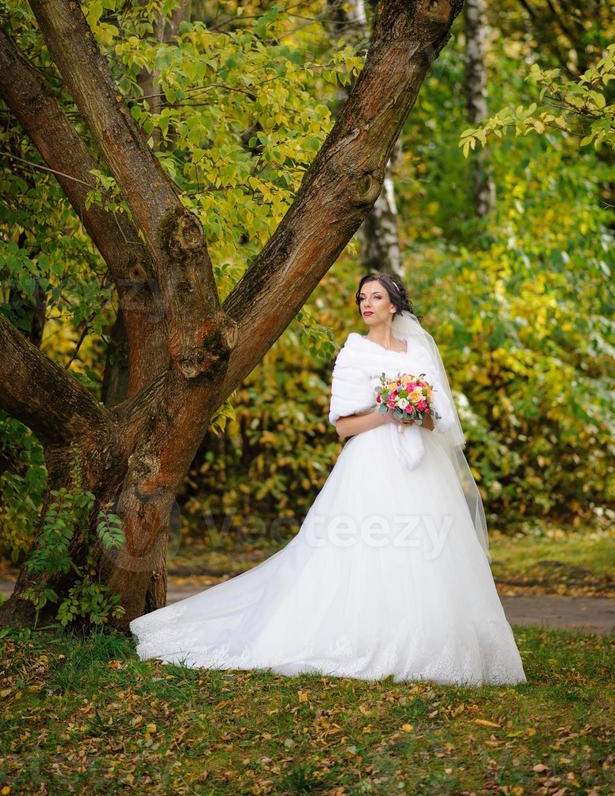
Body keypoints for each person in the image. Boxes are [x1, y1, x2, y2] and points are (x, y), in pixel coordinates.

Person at [130, 273, 526, 685]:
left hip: (422, 465)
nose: (367, 303)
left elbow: (433, 422)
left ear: (394, 305)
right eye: (362, 297)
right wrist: (390, 412)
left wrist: (413, 411)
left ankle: (428, 638)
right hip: (371, 462)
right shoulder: (354, 353)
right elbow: (344, 427)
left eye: (376, 297)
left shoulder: (418, 355)